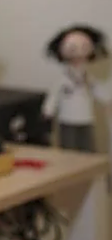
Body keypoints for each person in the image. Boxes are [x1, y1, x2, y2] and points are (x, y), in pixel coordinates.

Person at [42, 24, 110, 152]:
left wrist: (107, 102)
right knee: (69, 149)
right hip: (67, 120)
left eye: (84, 48)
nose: (78, 55)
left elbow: (97, 90)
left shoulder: (88, 77)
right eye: (73, 49)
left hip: (87, 119)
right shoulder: (62, 79)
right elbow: (54, 95)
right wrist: (48, 111)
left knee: (88, 147)